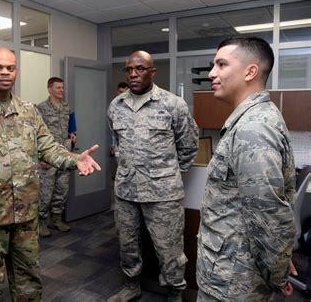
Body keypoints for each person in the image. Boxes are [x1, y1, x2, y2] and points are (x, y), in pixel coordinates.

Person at [0, 47, 101, 301]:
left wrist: (74, 159)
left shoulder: (28, 110)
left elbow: (47, 147)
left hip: (25, 213)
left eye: (10, 68)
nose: (5, 72)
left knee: (29, 279)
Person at [196, 37, 297, 301]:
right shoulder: (253, 119)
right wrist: (281, 261)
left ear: (250, 71)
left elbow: (269, 215)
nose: (211, 73)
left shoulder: (253, 128)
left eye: (221, 64)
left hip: (233, 282)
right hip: (231, 271)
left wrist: (277, 275)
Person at [108, 51, 198, 302]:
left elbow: (189, 146)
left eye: (140, 68)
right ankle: (131, 285)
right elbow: (117, 145)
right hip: (126, 191)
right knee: (128, 244)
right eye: (128, 70)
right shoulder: (116, 105)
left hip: (163, 194)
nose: (133, 74)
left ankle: (174, 293)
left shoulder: (173, 104)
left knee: (169, 249)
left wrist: (166, 175)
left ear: (152, 72)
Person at [37, 77, 76, 237]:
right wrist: (40, 157)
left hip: (65, 154)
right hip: (49, 156)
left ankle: (56, 219)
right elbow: (35, 134)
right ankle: (41, 222)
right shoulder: (41, 108)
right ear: (49, 89)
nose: (62, 90)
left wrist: (73, 136)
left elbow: (72, 127)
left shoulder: (67, 108)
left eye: (62, 87)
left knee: (62, 189)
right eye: (58, 88)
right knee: (46, 191)